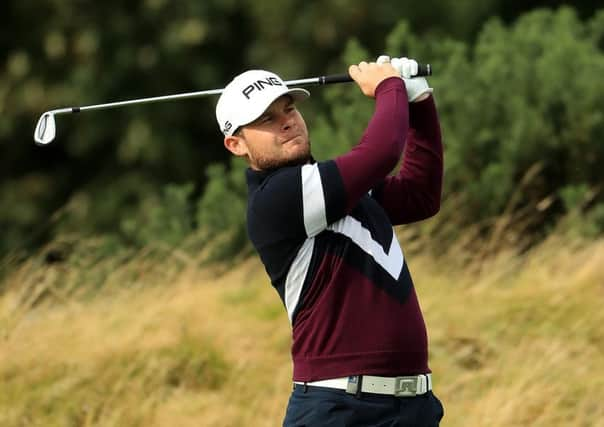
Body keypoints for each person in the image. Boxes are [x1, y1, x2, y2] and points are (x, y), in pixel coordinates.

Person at [216, 55, 444, 427]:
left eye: (288, 109)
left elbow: (421, 196)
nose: (287, 121)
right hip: (338, 409)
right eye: (266, 119)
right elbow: (382, 152)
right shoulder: (278, 198)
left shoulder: (338, 190)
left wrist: (418, 101)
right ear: (236, 144)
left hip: (412, 406)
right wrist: (389, 87)